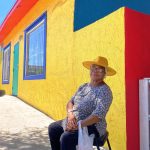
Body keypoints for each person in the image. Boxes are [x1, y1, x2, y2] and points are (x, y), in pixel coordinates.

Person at [48, 56, 116, 150]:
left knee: (66, 138)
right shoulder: (83, 86)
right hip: (73, 120)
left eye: (100, 69)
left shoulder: (105, 91)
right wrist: (71, 116)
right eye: (93, 68)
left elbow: (97, 116)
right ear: (90, 70)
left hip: (92, 126)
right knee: (53, 128)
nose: (95, 71)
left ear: (104, 74)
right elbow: (70, 102)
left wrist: (78, 125)